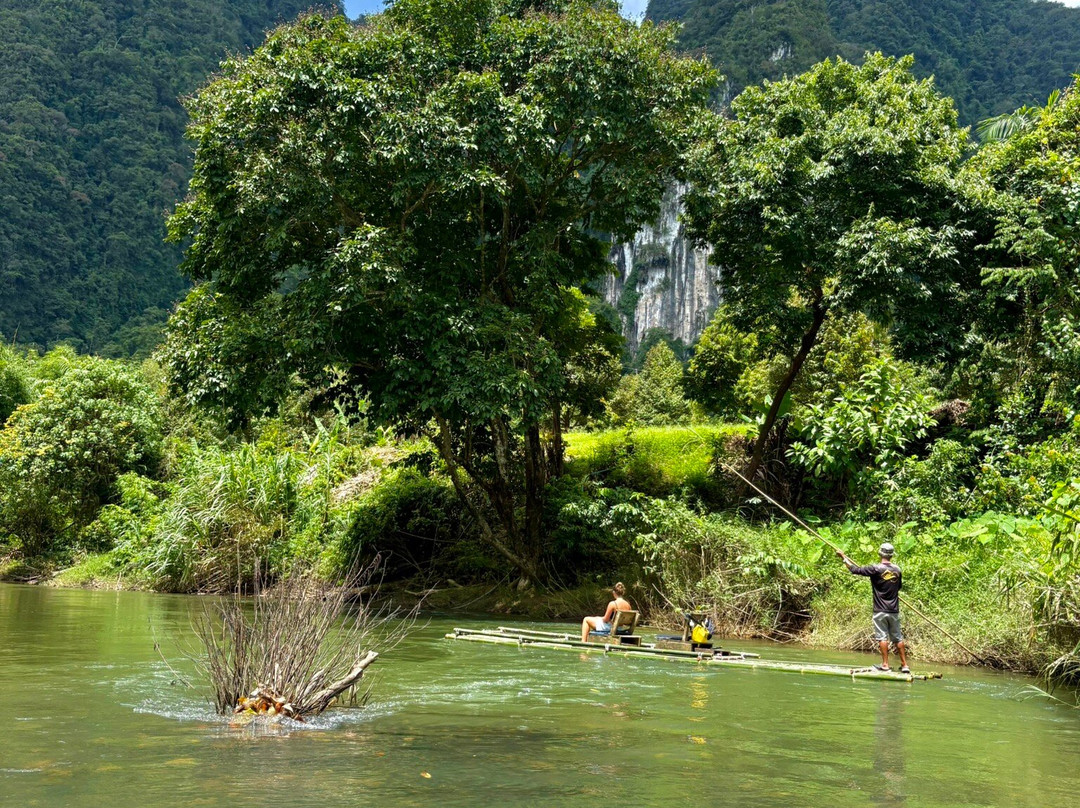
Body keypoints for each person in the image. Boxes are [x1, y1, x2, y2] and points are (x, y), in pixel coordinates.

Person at [837, 542, 910, 673]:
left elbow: (854, 569)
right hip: (894, 610)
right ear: (891, 555)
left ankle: (885, 665)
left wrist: (843, 557)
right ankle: (905, 665)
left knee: (882, 637)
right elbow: (898, 587)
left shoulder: (875, 569)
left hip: (880, 610)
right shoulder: (897, 570)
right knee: (897, 638)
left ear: (880, 553)